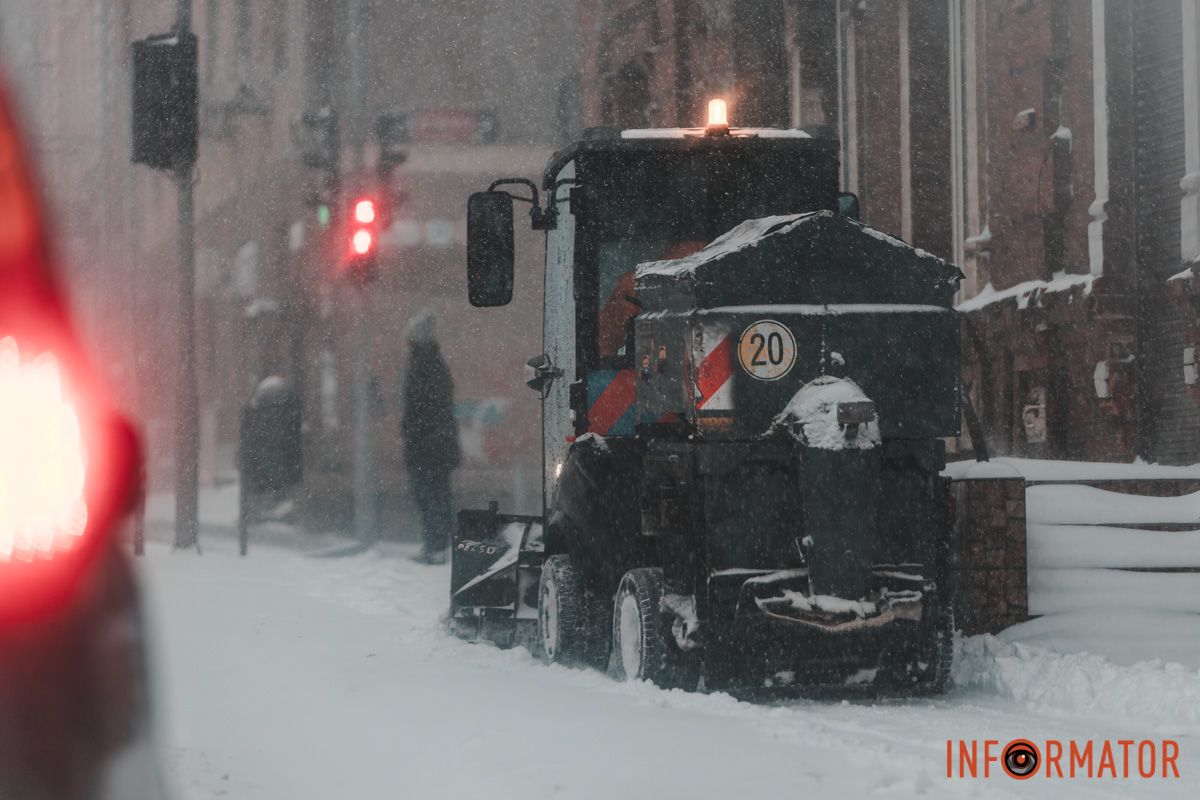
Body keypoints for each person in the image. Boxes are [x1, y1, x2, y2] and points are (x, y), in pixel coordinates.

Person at [401, 311, 461, 564]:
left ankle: (436, 547)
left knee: (431, 497)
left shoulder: (424, 365)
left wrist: (415, 432)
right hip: (433, 445)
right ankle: (437, 546)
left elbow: (424, 407)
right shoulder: (430, 364)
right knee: (434, 496)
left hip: (428, 446)